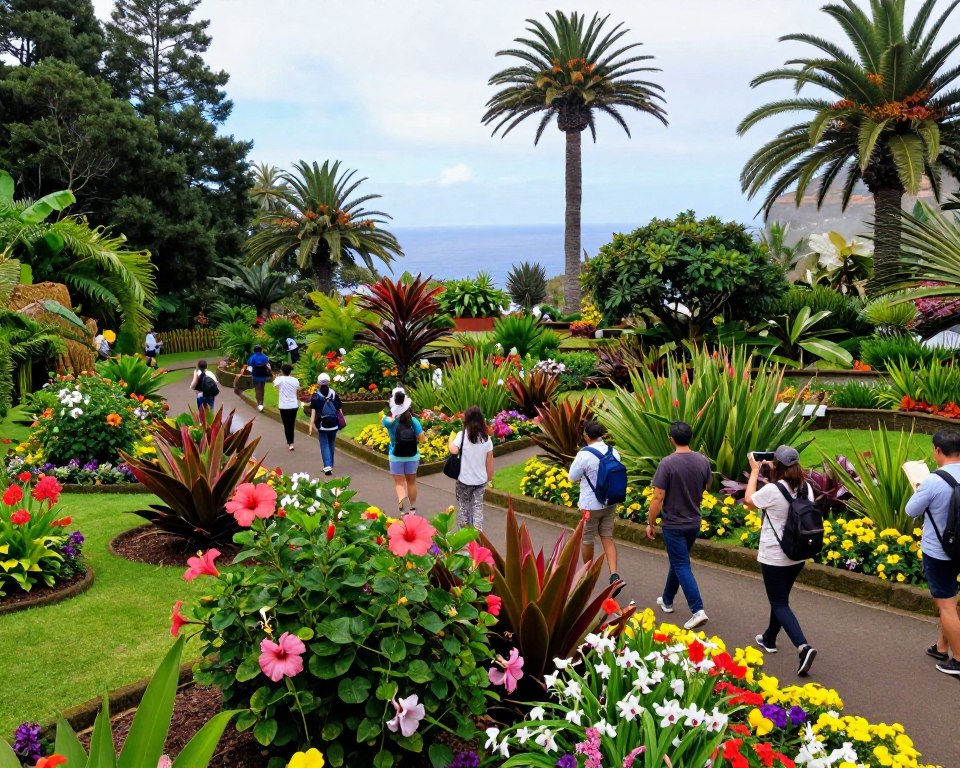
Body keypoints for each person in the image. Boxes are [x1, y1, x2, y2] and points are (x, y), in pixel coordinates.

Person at [744, 445, 818, 677]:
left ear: (777, 464)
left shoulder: (774, 490)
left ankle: (803, 646)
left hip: (775, 557)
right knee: (781, 599)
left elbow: (748, 500)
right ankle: (769, 638)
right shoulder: (806, 488)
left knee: (779, 603)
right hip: (797, 555)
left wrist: (755, 470)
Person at [647, 421, 712, 630]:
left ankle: (698, 610)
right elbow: (708, 484)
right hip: (693, 521)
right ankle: (667, 600)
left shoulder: (667, 463)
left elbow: (658, 496)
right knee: (679, 561)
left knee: (682, 564)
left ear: (671, 439)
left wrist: (650, 522)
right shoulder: (702, 461)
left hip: (673, 523)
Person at [905, 429, 960, 678]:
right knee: (950, 601)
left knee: (946, 604)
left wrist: (919, 488)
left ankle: (958, 660)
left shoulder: (934, 481)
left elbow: (911, 510)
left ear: (938, 450)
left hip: (940, 551)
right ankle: (942, 647)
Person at [569, 420, 623, 595]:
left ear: (586, 436)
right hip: (610, 502)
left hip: (590, 505)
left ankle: (588, 574)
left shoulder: (584, 455)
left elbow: (572, 477)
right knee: (607, 537)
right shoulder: (613, 451)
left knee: (587, 539)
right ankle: (614, 574)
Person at [448, 405, 494, 530]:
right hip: (480, 480)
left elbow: (453, 450)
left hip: (464, 479)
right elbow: (489, 461)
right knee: (477, 506)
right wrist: (490, 478)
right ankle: (478, 534)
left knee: (463, 506)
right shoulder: (487, 439)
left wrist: (449, 441)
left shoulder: (462, 435)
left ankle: (464, 536)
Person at [382, 387, 425, 513]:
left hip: (396, 456)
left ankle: (401, 507)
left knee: (399, 483)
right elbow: (422, 439)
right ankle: (412, 508)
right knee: (411, 482)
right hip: (412, 456)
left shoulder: (388, 421)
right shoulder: (414, 421)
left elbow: (386, 421)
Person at [307, 372, 343, 475]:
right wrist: (341, 421)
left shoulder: (315, 396)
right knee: (331, 443)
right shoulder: (334, 394)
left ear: (318, 383)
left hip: (322, 426)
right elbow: (339, 410)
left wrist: (311, 425)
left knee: (324, 444)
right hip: (334, 424)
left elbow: (313, 413)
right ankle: (331, 464)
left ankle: (327, 465)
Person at [273, 364, 301, 451]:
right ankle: (291, 442)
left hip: (284, 406)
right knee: (291, 424)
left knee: (286, 425)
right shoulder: (295, 380)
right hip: (293, 405)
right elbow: (299, 388)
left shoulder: (279, 379)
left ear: (282, 371)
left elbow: (275, 385)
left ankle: (290, 443)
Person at [243, 345, 272, 411]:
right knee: (261, 389)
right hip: (263, 374)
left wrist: (249, 374)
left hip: (255, 373)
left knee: (257, 388)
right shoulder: (265, 357)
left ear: (254, 351)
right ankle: (261, 403)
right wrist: (270, 373)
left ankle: (259, 403)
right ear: (261, 350)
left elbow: (250, 367)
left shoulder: (252, 357)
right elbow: (268, 367)